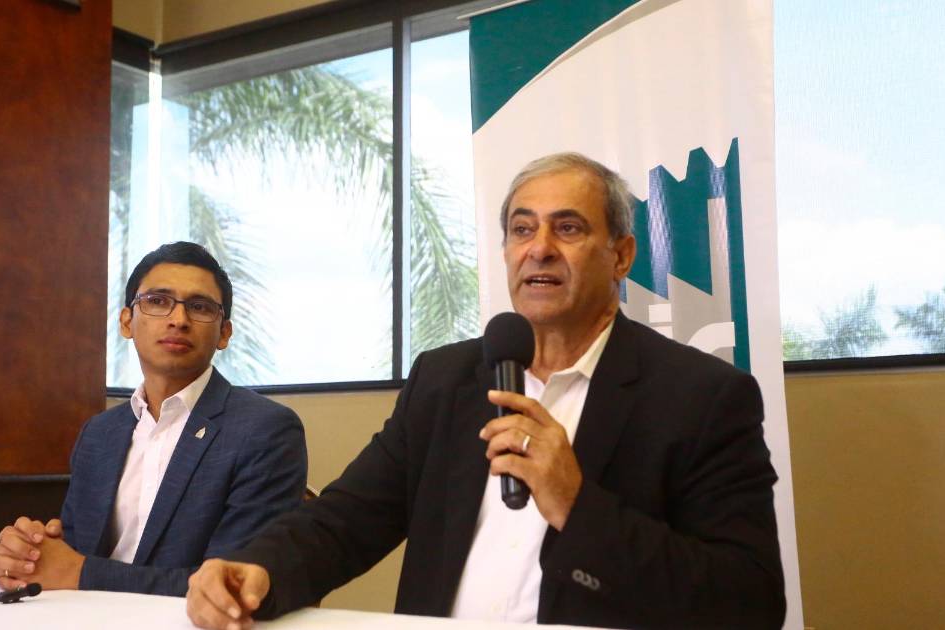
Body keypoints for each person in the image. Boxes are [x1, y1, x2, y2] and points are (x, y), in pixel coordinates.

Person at [186, 154, 786, 628]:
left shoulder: (702, 396)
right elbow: (346, 519)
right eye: (522, 229)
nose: (539, 247)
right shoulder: (446, 379)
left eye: (568, 228)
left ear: (622, 256)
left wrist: (577, 506)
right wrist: (257, 568)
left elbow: (749, 601)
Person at [0, 241, 307, 597]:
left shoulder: (265, 430)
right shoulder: (99, 434)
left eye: (199, 307)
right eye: (157, 301)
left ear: (224, 333)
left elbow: (233, 583)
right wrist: (31, 557)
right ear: (127, 322)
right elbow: (72, 555)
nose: (178, 319)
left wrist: (80, 572)